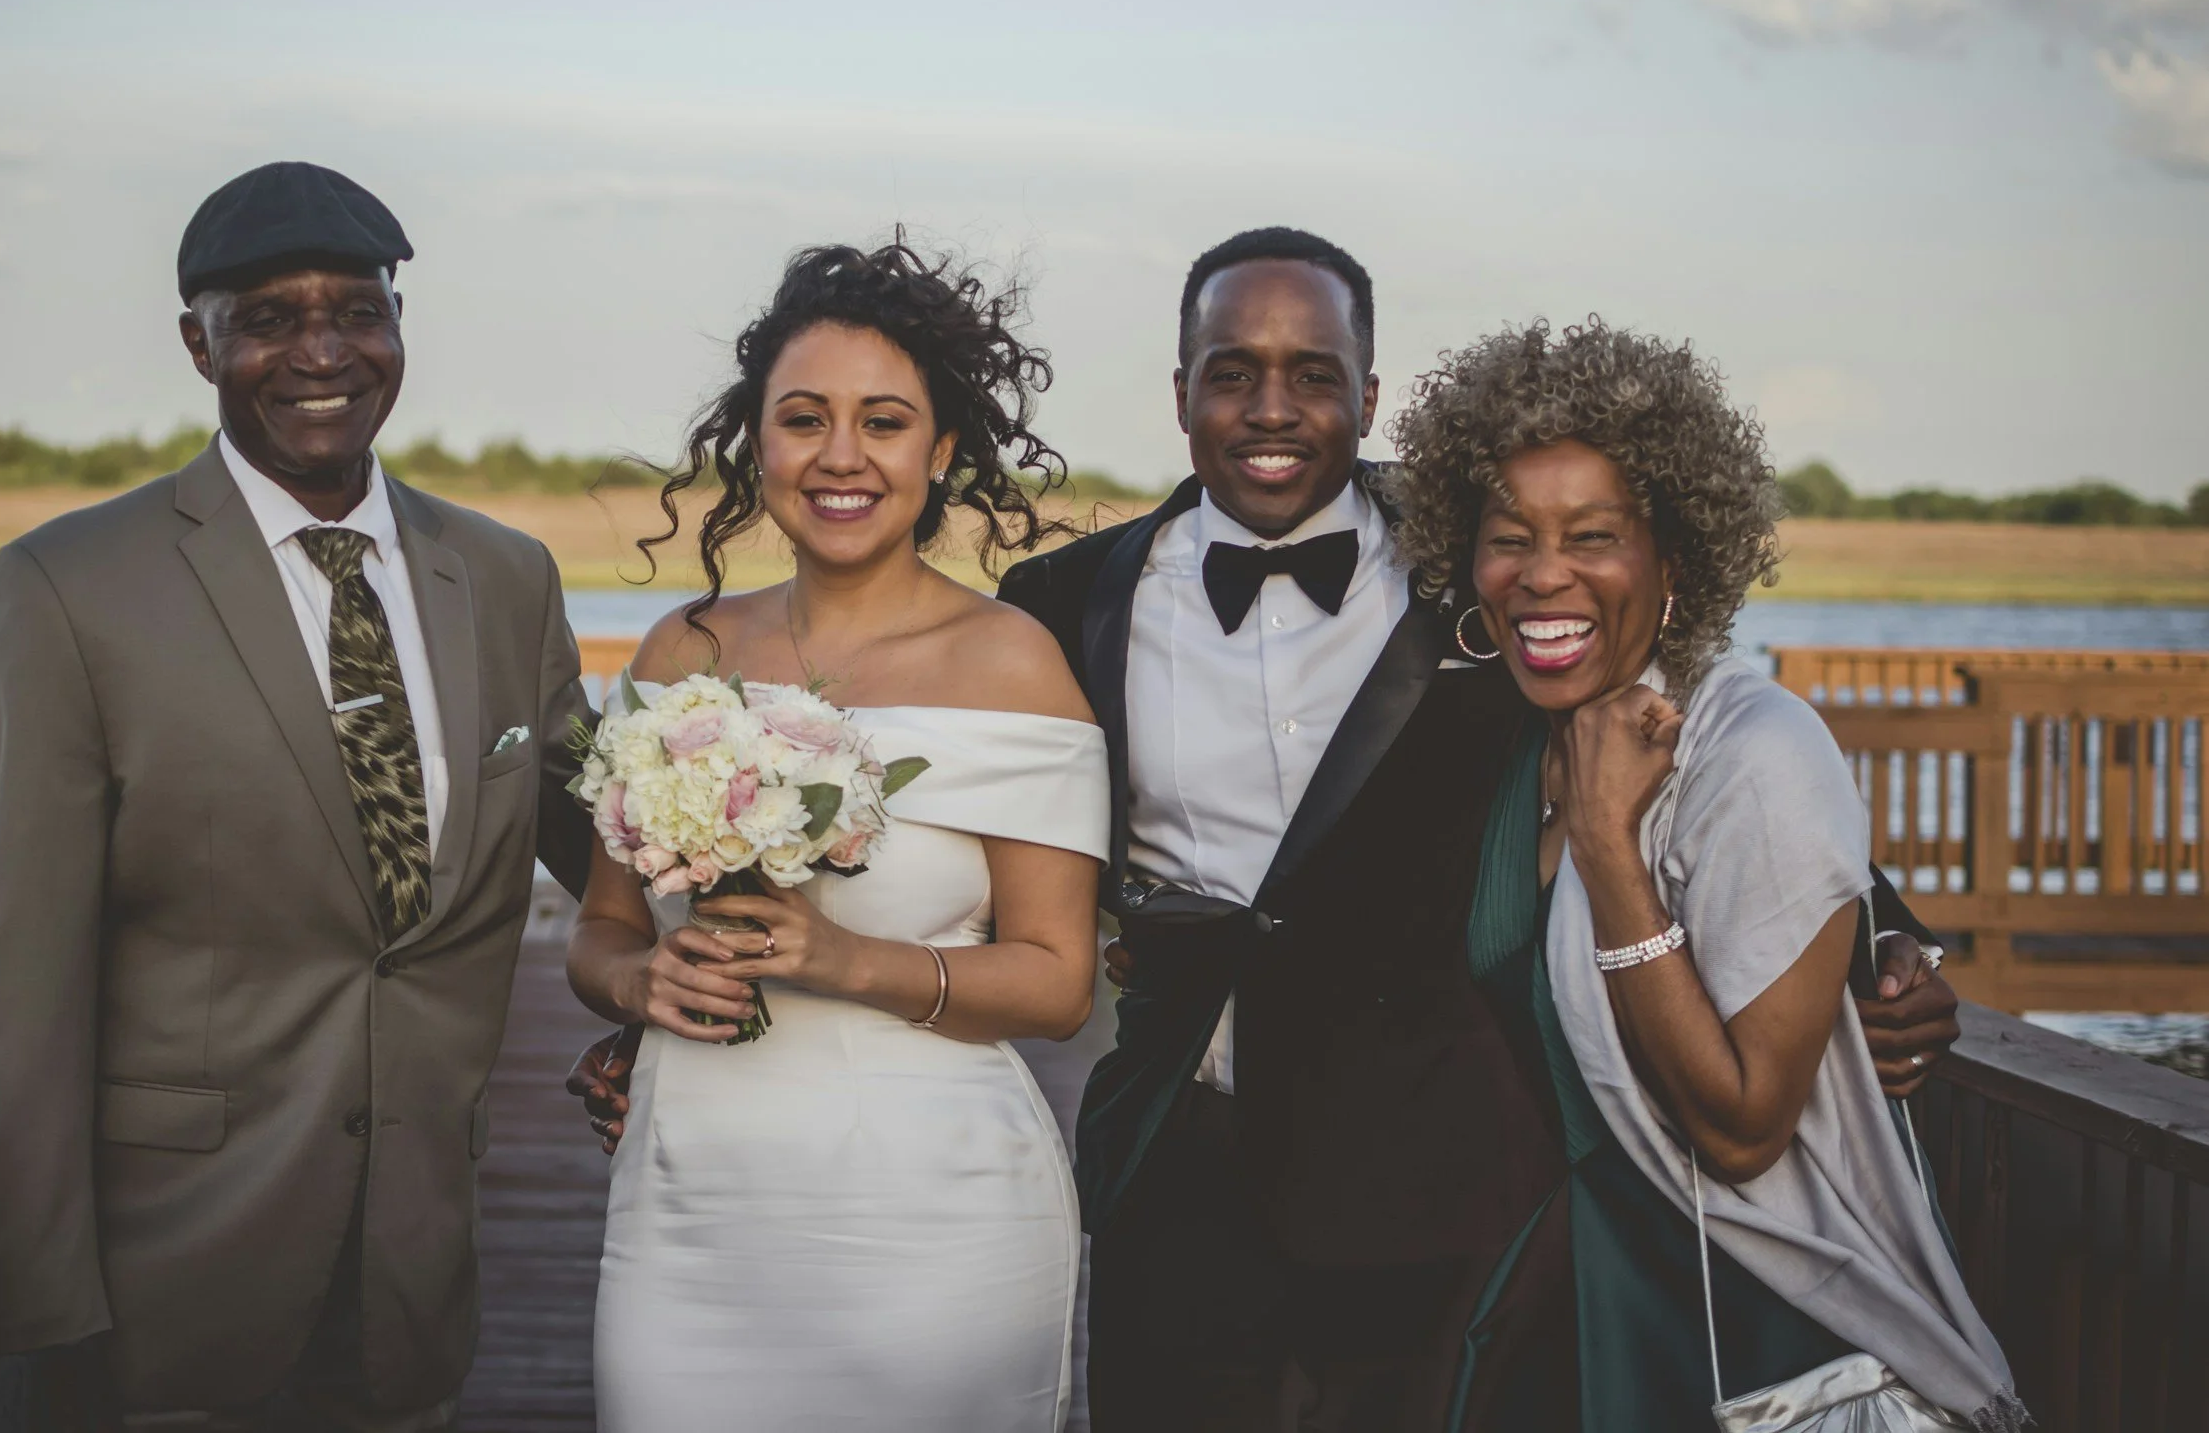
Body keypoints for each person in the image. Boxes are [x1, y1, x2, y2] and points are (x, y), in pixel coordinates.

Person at [572, 228, 1963, 1430]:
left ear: (1372, 389)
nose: (1270, 405)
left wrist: (1874, 936)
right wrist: (654, 1009)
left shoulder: (1483, 561)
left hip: (1442, 1167)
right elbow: (888, 761)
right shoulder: (1065, 604)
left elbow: (1684, 716)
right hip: (1177, 1146)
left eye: (1312, 372)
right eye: (1232, 370)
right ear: (1183, 393)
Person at [0, 162, 598, 1431]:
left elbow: (606, 847)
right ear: (199, 344)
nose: (322, 351)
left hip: (416, 1277)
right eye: (269, 317)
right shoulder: (70, 587)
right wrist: (43, 1305)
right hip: (168, 1283)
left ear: (399, 328)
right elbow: (14, 981)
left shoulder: (506, 575)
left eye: (357, 310)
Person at [1385, 319, 2023, 1431]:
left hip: (1763, 1337)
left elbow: (1741, 1130)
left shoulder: (1754, 747)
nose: (1542, 573)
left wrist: (1607, 846)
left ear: (1673, 557)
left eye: (1591, 533)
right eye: (1508, 536)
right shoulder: (1509, 740)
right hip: (1568, 1305)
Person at [567, 242, 1109, 1433]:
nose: (842, 455)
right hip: (688, 1206)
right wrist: (638, 976)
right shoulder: (678, 655)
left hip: (935, 1222)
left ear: (943, 450)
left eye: (885, 420)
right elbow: (600, 931)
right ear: (758, 444)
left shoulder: (1012, 664)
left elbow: (1058, 980)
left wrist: (839, 959)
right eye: (803, 418)